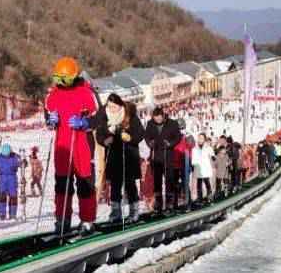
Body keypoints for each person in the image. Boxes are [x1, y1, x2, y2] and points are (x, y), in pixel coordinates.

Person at [45, 56, 100, 234]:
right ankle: (62, 219)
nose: (61, 83)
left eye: (65, 79)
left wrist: (85, 122)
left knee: (85, 184)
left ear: (74, 77)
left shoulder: (86, 92)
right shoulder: (53, 94)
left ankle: (87, 220)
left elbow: (99, 116)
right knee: (62, 185)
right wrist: (50, 120)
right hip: (63, 146)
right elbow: (48, 113)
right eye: (58, 79)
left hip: (82, 145)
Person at [94, 93, 145, 223]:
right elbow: (99, 133)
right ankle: (115, 212)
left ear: (120, 105)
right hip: (113, 155)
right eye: (110, 106)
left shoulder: (129, 115)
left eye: (114, 106)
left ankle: (134, 211)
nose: (112, 109)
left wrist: (130, 138)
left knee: (130, 184)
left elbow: (140, 133)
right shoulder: (104, 117)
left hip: (129, 155)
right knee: (115, 185)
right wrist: (105, 141)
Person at [144, 106, 181, 211]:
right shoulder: (150, 124)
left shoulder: (172, 123)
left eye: (159, 117)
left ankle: (170, 201)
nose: (157, 120)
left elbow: (178, 136)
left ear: (163, 115)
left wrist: (170, 143)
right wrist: (150, 143)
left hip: (168, 155)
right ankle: (158, 202)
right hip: (156, 156)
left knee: (169, 179)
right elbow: (146, 136)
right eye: (155, 118)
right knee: (157, 180)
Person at [0, 143, 20, 220]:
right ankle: (2, 214)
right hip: (2, 178)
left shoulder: (14, 157)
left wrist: (23, 163)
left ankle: (13, 214)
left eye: (8, 155)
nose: (6, 156)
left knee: (13, 196)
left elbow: (20, 163)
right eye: (5, 155)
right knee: (2, 196)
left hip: (12, 178)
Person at [190, 133, 214, 201]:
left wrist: (212, 157)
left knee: (207, 182)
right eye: (199, 138)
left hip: (205, 168)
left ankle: (209, 195)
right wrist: (193, 164)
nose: (200, 140)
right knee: (199, 183)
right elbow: (193, 158)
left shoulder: (208, 148)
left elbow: (212, 154)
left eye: (201, 138)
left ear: (204, 139)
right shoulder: (194, 148)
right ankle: (199, 197)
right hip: (198, 168)